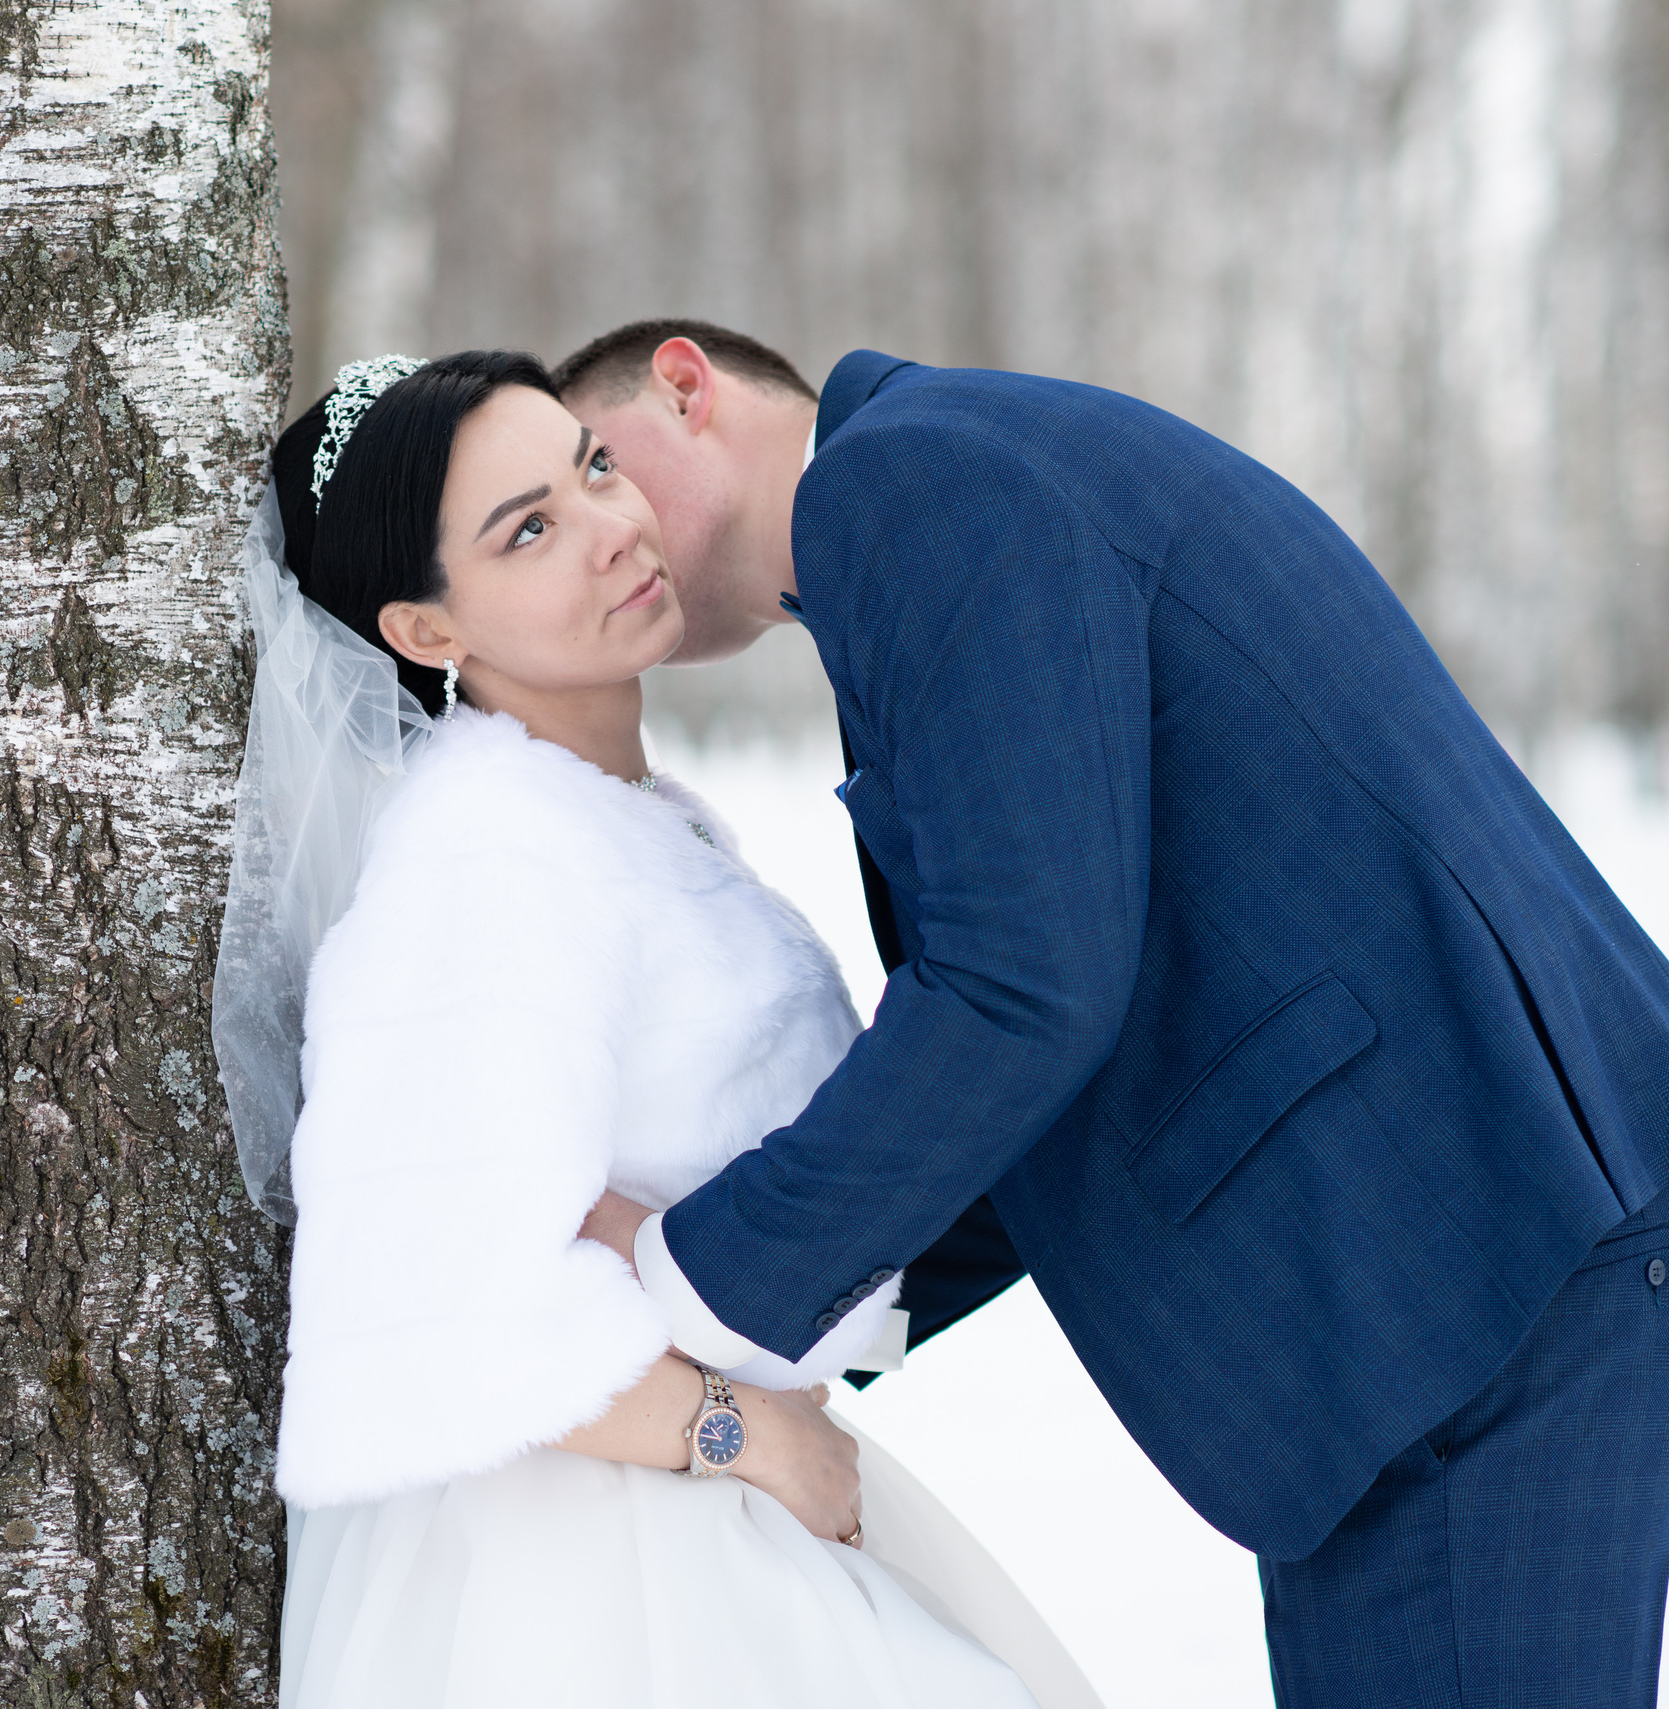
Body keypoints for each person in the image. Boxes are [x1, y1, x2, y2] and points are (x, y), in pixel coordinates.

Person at [554, 320, 1669, 1708]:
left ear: (686, 381)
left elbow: (1024, 991)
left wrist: (688, 1284)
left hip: (1460, 1273)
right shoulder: (950, 483)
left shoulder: (909, 484)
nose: (602, 524)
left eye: (601, 460)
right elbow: (1052, 1028)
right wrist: (828, 1310)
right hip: (1418, 1279)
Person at [214, 351, 1099, 1707]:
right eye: (530, 529)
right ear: (429, 631)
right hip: (591, 1571)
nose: (610, 526)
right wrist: (744, 1433)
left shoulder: (615, 816)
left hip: (692, 1510)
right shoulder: (484, 859)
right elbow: (439, 1302)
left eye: (592, 465)